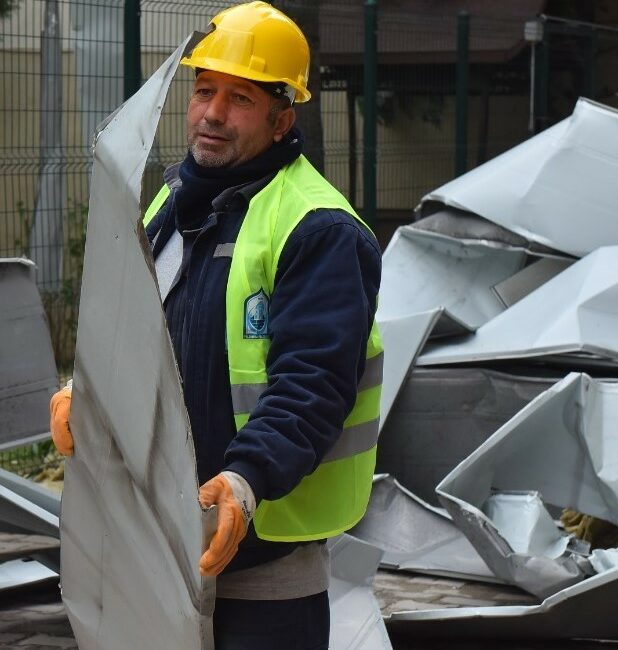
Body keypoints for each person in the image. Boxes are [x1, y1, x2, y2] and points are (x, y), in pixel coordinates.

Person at [48, 2, 382, 647]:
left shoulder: (320, 230)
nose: (212, 113)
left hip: (261, 555)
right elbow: (133, 333)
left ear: (283, 118)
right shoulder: (172, 205)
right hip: (153, 543)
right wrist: (83, 390)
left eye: (240, 99)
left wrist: (246, 479)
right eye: (204, 91)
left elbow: (313, 383)